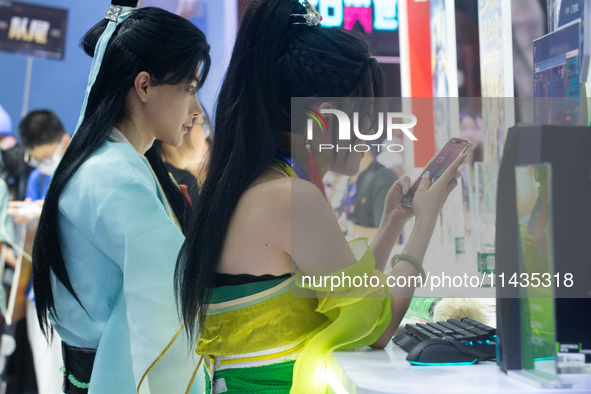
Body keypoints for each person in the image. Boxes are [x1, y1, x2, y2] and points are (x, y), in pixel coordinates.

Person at [175, 0, 465, 393]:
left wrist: (392, 223)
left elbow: (346, 294)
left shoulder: (254, 185)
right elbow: (374, 326)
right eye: (365, 118)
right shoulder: (290, 197)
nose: (372, 136)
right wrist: (425, 224)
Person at [31, 2, 211, 393]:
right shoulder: (114, 176)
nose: (197, 109)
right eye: (191, 88)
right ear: (144, 86)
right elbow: (175, 291)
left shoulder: (111, 162)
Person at [5, 110, 69, 394]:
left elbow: (70, 206)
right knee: (45, 376)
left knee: (65, 372)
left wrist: (39, 209)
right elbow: (28, 242)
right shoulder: (35, 180)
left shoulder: (77, 170)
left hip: (68, 292)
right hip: (37, 292)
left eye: (46, 158)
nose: (42, 165)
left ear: (64, 141)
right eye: (36, 159)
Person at [149, 107, 212, 202]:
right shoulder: (186, 184)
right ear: (185, 125)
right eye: (205, 126)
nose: (206, 137)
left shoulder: (142, 158)